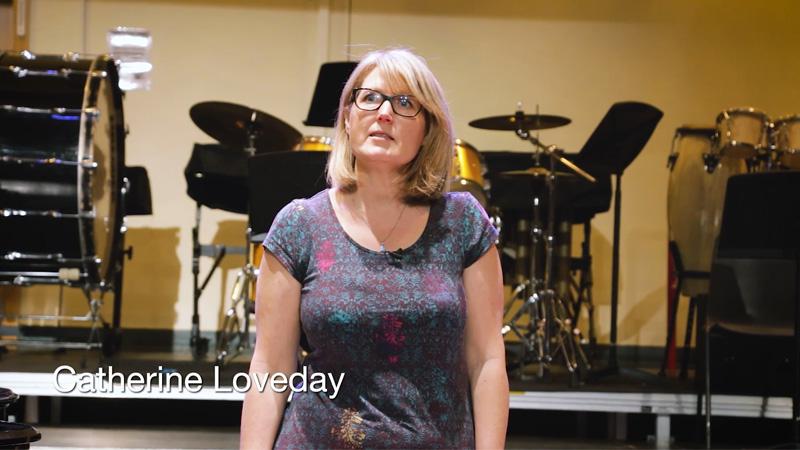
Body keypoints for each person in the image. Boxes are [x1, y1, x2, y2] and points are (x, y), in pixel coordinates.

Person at [241, 47, 508, 449]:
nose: (384, 113)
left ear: (428, 129)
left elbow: (486, 361)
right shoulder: (300, 225)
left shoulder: (462, 223)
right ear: (348, 118)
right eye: (369, 97)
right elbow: (270, 368)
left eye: (405, 103)